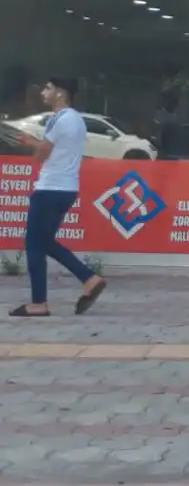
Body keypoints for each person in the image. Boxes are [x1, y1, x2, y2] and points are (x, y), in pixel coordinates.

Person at [10, 78, 106, 319]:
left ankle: (39, 303)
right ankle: (89, 279)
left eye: (48, 88)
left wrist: (30, 144)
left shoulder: (58, 119)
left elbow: (42, 154)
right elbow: (58, 150)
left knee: (34, 245)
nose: (44, 92)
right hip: (68, 189)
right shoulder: (77, 120)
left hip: (49, 188)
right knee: (44, 242)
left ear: (61, 93)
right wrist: (35, 143)